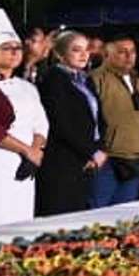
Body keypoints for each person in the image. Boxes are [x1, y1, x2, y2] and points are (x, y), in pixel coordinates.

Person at [0, 8, 49, 227]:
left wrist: (36, 150)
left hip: (26, 164)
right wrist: (27, 151)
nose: (14, 52)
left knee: (21, 219)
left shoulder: (27, 87)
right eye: (6, 48)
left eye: (17, 48)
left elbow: (41, 124)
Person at [35, 30, 105, 216]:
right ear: (60, 54)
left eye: (86, 49)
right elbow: (61, 123)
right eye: (76, 50)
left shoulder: (85, 80)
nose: (84, 55)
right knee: (61, 214)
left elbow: (97, 118)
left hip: (84, 160)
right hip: (62, 160)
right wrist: (90, 151)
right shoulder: (53, 80)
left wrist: (99, 148)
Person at [91, 35, 139, 206]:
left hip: (137, 163)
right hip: (107, 161)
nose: (129, 56)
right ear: (106, 54)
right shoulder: (96, 80)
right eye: (122, 52)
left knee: (122, 217)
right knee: (96, 214)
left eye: (132, 51)